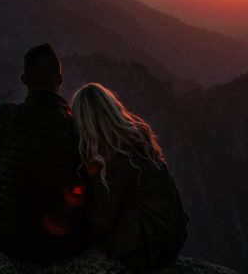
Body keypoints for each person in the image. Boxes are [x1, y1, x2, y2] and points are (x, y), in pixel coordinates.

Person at [0, 44, 88, 263]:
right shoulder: (74, 129)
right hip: (60, 245)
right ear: (59, 80)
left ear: (24, 80)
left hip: (8, 239)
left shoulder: (5, 118)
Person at [71, 83, 188, 272]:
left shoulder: (109, 157)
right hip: (171, 233)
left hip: (142, 246)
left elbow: (103, 219)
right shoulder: (138, 136)